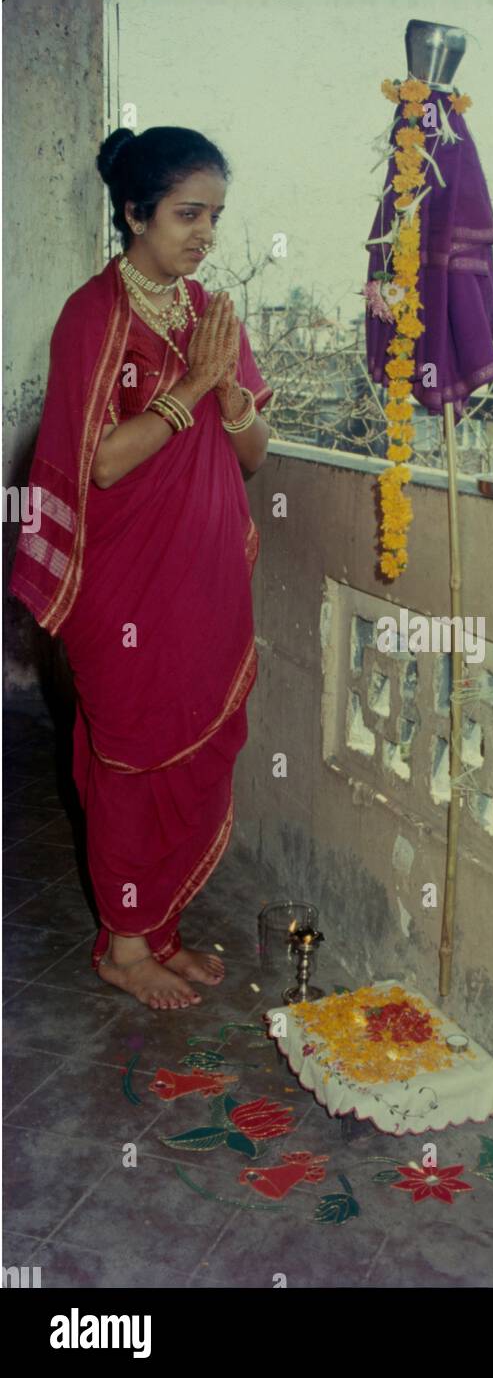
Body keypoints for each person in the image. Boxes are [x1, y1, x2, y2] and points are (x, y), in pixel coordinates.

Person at [9, 126, 273, 1012]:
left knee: (197, 750)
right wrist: (192, 388)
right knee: (131, 754)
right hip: (118, 583)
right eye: (186, 214)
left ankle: (156, 927)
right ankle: (123, 948)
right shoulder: (92, 316)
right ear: (134, 213)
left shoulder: (209, 313)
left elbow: (253, 455)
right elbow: (104, 462)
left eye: (215, 217)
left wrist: (231, 399)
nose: (203, 234)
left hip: (202, 581)